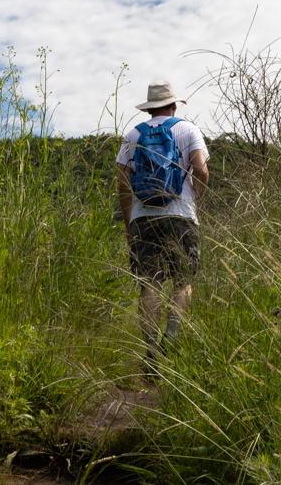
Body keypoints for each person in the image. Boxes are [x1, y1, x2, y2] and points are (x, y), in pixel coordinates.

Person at [116, 80, 209, 378]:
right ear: (174, 104)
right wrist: (196, 198)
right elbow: (202, 170)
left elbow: (122, 183)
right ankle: (171, 338)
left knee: (150, 284)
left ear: (149, 108)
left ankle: (151, 350)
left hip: (143, 219)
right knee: (182, 281)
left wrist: (131, 222)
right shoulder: (188, 129)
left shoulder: (133, 134)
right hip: (180, 216)